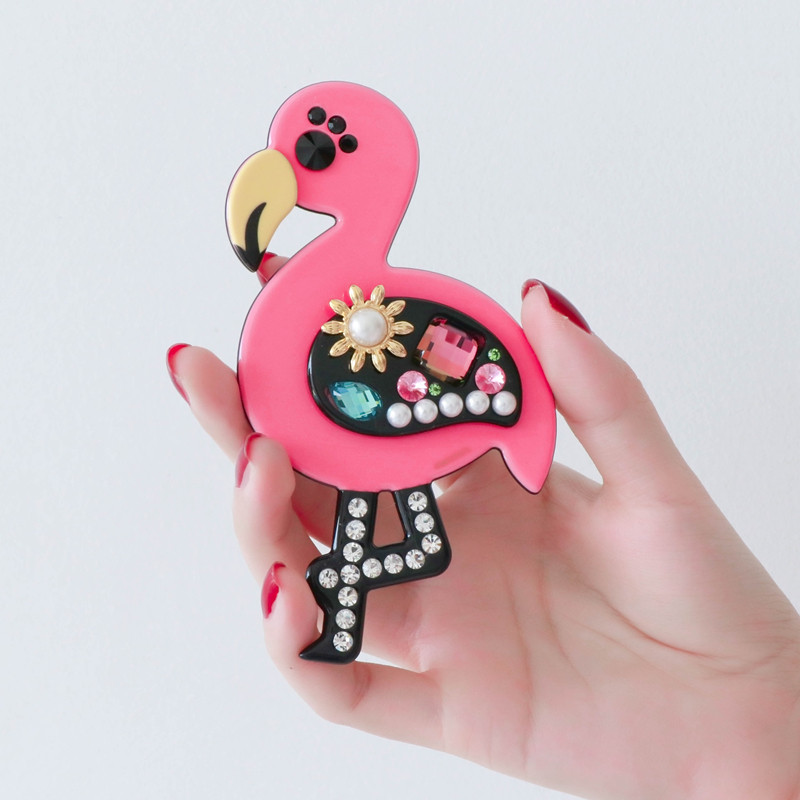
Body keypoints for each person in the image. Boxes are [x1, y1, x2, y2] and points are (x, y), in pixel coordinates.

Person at [167, 278, 800, 800]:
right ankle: (348, 588)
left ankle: (349, 584)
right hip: (378, 453)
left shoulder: (383, 319)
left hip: (418, 430)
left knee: (406, 528)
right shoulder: (340, 316)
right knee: (368, 507)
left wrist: (753, 711)